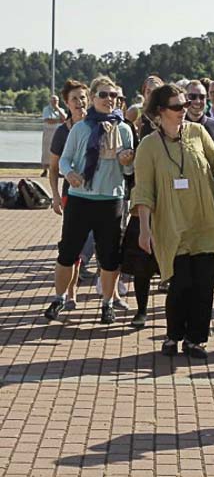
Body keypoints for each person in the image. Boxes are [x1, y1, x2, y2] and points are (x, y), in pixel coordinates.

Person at [133, 84, 214, 358]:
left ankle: (195, 340)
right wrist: (144, 230)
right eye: (177, 106)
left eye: (186, 103)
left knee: (205, 284)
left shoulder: (198, 132)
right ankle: (173, 335)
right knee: (180, 284)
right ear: (160, 111)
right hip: (171, 224)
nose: (185, 109)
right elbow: (143, 191)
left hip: (206, 221)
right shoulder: (149, 146)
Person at [44, 76, 135, 323]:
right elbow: (65, 159)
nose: (109, 99)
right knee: (68, 252)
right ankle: (60, 298)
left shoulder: (124, 129)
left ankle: (107, 303)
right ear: (93, 98)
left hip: (111, 199)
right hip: (80, 199)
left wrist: (127, 162)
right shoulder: (80, 128)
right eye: (104, 95)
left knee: (109, 257)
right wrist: (69, 173)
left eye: (114, 95)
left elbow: (128, 171)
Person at [46, 80, 89, 308]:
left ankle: (111, 297)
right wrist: (54, 196)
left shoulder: (98, 125)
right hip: (71, 195)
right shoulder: (62, 132)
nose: (80, 102)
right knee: (72, 243)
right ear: (67, 103)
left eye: (83, 97)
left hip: (100, 194)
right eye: (74, 99)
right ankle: (70, 292)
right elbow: (53, 168)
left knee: (101, 244)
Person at [185, 80, 214, 151]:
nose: (198, 101)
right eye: (192, 96)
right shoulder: (177, 127)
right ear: (185, 97)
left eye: (202, 97)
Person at [41, 95, 67, 177]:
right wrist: (59, 120)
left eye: (56, 101)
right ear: (50, 101)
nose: (54, 102)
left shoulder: (61, 110)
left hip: (58, 133)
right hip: (48, 132)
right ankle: (45, 170)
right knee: (46, 151)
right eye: (53, 101)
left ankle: (57, 170)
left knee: (58, 151)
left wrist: (57, 108)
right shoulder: (46, 109)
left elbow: (65, 118)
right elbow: (47, 120)